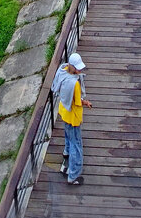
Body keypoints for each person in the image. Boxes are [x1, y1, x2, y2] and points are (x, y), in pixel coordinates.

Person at [51, 52, 92, 185]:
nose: (80, 70)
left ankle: (66, 152)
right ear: (73, 67)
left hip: (64, 110)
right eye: (78, 68)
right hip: (73, 115)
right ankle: (73, 175)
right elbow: (77, 101)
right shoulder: (74, 84)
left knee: (68, 134)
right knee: (77, 144)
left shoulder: (63, 70)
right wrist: (86, 103)